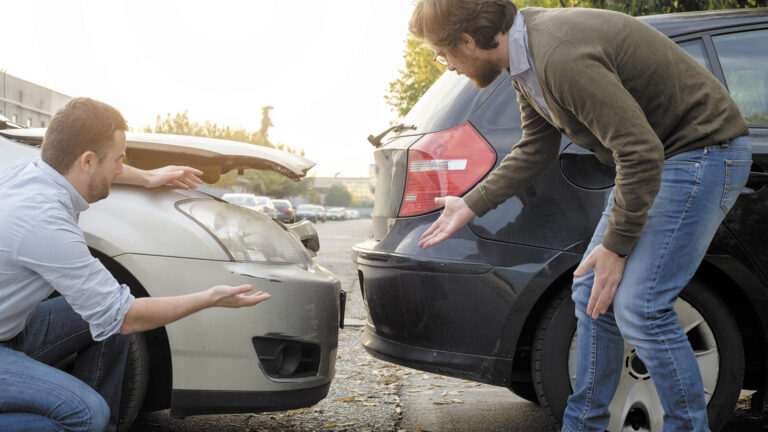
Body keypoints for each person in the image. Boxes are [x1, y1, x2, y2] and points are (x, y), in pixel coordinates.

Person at [409, 1, 751, 431]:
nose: (448, 66)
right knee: (592, 291)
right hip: (662, 158)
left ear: (467, 40)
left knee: (641, 308)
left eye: (442, 54)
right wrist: (471, 202)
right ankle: (584, 425)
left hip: (700, 153)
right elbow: (537, 146)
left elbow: (639, 151)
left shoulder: (558, 54)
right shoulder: (523, 59)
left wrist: (616, 246)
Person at [0, 97, 272, 432]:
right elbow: (126, 317)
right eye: (117, 160)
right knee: (86, 414)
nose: (118, 169)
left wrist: (147, 177)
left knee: (106, 318)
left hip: (12, 330)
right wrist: (210, 298)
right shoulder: (44, 221)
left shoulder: (29, 173)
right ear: (87, 161)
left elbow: (112, 315)